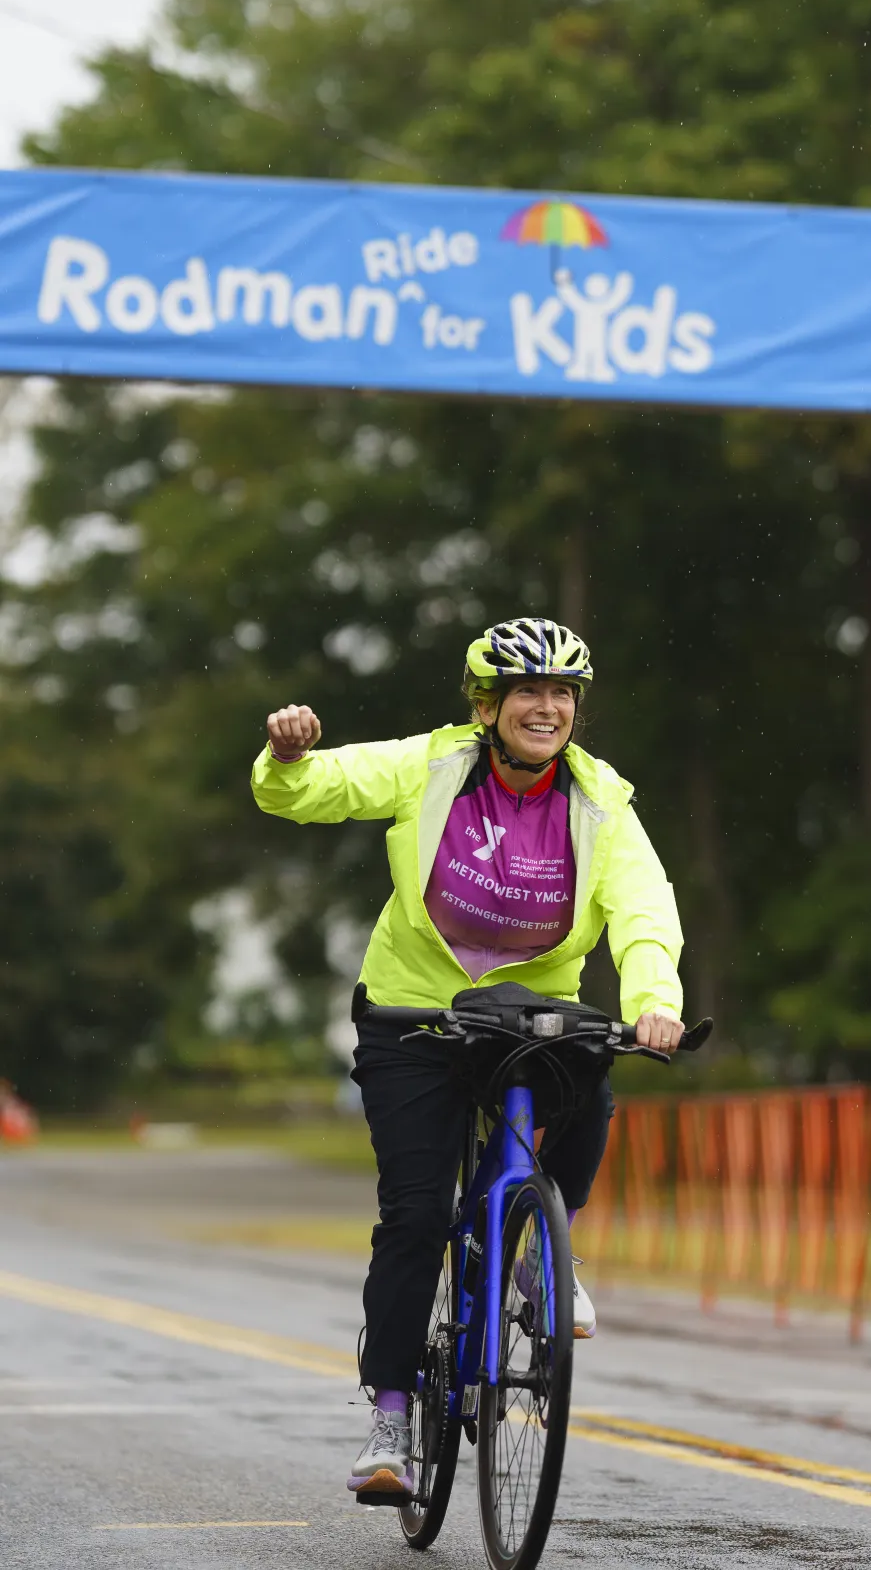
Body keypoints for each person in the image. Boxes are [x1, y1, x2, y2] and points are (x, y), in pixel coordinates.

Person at [251, 616, 684, 1497]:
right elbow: (314, 791)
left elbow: (643, 907)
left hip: (528, 1018)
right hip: (412, 1015)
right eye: (529, 690)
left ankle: (532, 1242)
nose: (548, 707)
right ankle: (392, 1421)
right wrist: (289, 759)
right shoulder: (434, 764)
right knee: (415, 1216)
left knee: (591, 1085)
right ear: (488, 705)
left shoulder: (601, 800)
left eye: (563, 693)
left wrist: (652, 1003)